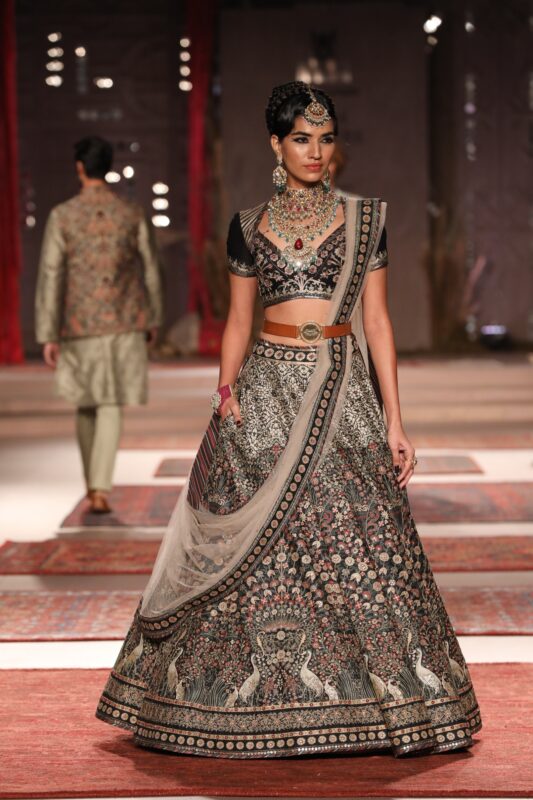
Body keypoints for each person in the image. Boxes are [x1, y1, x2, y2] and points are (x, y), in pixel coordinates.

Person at [96, 82, 482, 757]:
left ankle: (379, 700)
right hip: (265, 386)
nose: (315, 151)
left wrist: (395, 421)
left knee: (358, 541)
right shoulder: (248, 225)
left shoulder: (364, 219)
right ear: (276, 144)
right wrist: (226, 393)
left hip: (342, 387)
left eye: (325, 138)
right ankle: (233, 702)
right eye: (301, 138)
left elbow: (378, 323)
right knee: (258, 548)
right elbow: (238, 321)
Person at [35, 136, 163, 513]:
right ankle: (99, 488)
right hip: (125, 319)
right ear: (107, 167)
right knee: (109, 402)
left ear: (79, 167)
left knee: (87, 402)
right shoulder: (131, 212)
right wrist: (153, 316)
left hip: (80, 322)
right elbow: (151, 268)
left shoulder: (63, 215)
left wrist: (47, 332)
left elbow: (51, 275)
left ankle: (95, 485)